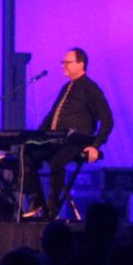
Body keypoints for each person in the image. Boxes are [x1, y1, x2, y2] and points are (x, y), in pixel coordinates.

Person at [23, 47, 115, 218]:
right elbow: (51, 117)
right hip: (57, 140)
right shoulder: (67, 87)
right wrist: (36, 138)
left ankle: (52, 207)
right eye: (62, 62)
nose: (63, 66)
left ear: (81, 64)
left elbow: (107, 120)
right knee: (28, 153)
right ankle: (37, 201)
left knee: (57, 161)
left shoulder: (90, 88)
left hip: (77, 141)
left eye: (68, 62)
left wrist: (95, 146)